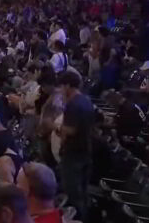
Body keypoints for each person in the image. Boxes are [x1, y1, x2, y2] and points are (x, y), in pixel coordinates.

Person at [57, 71, 93, 221]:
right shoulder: (86, 100)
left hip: (73, 153)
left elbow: (70, 130)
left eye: (61, 86)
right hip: (86, 150)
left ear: (67, 86)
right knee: (83, 191)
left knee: (72, 193)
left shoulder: (73, 104)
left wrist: (55, 126)